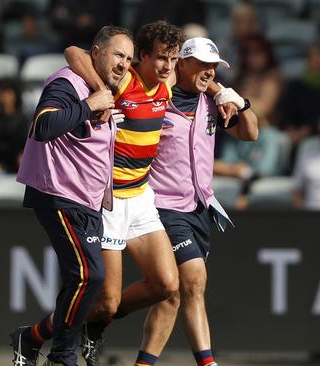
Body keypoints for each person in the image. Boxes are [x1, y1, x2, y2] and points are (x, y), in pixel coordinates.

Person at [62, 21, 186, 366]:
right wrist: (101, 89)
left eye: (173, 59)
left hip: (141, 197)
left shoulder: (167, 83)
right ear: (141, 57)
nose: (168, 66)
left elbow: (194, 74)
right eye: (161, 58)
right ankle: (48, 332)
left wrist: (222, 91)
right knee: (107, 302)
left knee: (166, 285)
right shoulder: (123, 79)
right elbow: (73, 51)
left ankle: (97, 327)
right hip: (110, 201)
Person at [10, 25, 134, 366]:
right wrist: (89, 103)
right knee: (89, 275)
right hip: (58, 192)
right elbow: (43, 126)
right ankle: (63, 355)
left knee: (83, 279)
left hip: (87, 198)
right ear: (97, 53)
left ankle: (31, 339)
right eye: (118, 54)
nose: (124, 63)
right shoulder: (67, 83)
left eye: (129, 58)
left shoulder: (107, 87)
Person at [136, 37, 258, 366]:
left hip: (200, 207)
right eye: (202, 65)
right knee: (194, 278)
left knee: (171, 295)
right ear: (182, 63)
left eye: (213, 67)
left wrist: (240, 103)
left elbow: (250, 134)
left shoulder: (212, 102)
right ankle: (208, 363)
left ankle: (141, 361)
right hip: (163, 206)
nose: (209, 72)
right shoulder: (158, 98)